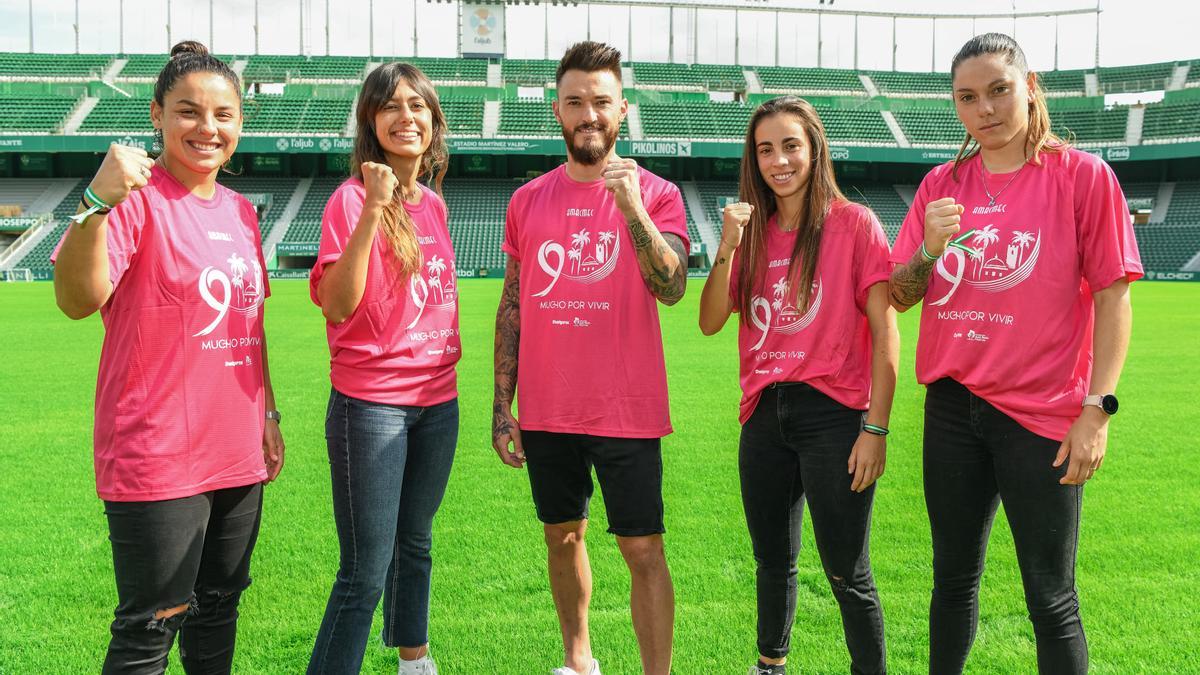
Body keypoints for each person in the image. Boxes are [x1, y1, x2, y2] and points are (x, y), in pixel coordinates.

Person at [887, 33, 1142, 675]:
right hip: (952, 410)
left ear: (1030, 88)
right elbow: (901, 293)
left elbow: (1114, 299)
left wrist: (1098, 410)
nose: (986, 109)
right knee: (951, 582)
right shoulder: (940, 184)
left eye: (999, 89)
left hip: (1042, 415)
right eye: (967, 97)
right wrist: (928, 247)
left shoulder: (1084, 178)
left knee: (1051, 598)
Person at [51, 40, 284, 674]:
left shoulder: (240, 212)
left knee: (219, 612)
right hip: (157, 451)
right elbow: (77, 299)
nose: (207, 128)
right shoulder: (133, 197)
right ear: (156, 115)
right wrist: (96, 204)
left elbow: (250, 325)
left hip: (236, 451)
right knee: (151, 628)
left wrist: (269, 415)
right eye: (188, 112)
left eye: (223, 115)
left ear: (240, 122)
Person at [491, 41, 689, 675]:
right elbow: (512, 307)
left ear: (622, 110)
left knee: (643, 548)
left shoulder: (656, 193)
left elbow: (673, 286)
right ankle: (579, 662)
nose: (588, 114)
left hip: (626, 408)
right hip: (549, 407)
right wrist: (502, 405)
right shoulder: (527, 201)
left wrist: (629, 207)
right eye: (575, 101)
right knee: (562, 535)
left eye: (601, 101)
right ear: (557, 111)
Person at [698, 96, 897, 675]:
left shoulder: (854, 224)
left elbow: (886, 335)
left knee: (846, 569)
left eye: (790, 145)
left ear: (814, 149)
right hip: (763, 415)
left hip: (834, 415)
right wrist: (727, 250)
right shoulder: (751, 233)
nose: (778, 160)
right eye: (765, 149)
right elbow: (711, 321)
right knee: (772, 561)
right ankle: (770, 665)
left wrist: (875, 429)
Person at [306, 62, 458, 675]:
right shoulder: (348, 201)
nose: (406, 117)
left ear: (432, 119)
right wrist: (374, 206)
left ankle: (413, 660)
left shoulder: (437, 206)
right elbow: (338, 304)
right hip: (371, 406)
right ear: (371, 120)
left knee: (415, 546)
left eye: (417, 105)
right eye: (390, 106)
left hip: (436, 402)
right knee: (365, 569)